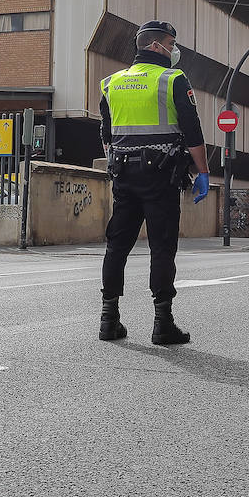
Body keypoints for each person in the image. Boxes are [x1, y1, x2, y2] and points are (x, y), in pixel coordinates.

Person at [98, 21, 210, 345]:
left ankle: (109, 320)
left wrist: (115, 163)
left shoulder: (111, 83)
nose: (175, 50)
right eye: (171, 43)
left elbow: (106, 133)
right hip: (160, 176)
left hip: (123, 176)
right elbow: (192, 130)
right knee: (161, 247)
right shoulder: (172, 79)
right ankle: (163, 324)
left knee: (116, 246)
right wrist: (203, 172)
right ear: (155, 46)